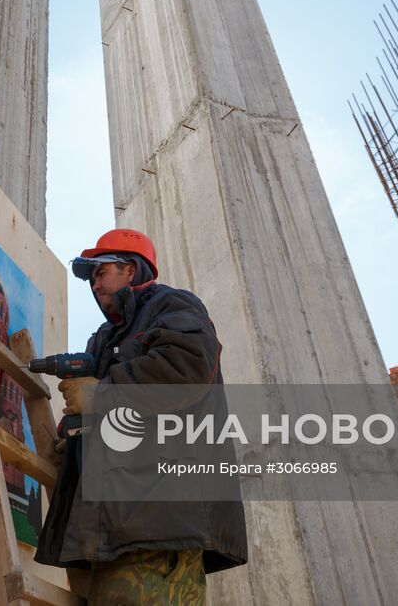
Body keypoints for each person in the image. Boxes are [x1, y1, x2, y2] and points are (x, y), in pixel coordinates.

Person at [34, 229, 248, 604]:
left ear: (131, 271)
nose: (94, 284)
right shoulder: (104, 339)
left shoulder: (172, 305)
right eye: (90, 277)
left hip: (159, 522)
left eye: (100, 272)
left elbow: (189, 365)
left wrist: (101, 393)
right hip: (114, 530)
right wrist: (74, 441)